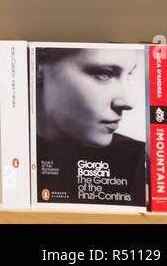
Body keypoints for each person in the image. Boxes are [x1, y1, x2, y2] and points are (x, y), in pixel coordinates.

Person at [33, 47, 145, 207]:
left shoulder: (140, 159)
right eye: (104, 74)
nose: (128, 102)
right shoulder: (7, 153)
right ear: (38, 69)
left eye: (130, 74)